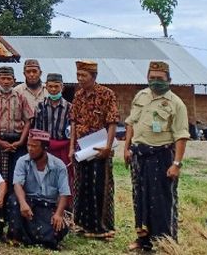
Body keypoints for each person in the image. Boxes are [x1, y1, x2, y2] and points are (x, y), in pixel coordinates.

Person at [123, 61, 190, 251]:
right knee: (140, 198)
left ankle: (165, 241)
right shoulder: (141, 95)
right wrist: (126, 148)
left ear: (169, 80)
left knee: (162, 200)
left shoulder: (176, 103)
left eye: (159, 79)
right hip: (139, 155)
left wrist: (176, 163)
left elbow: (181, 136)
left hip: (161, 156)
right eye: (151, 78)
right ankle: (143, 239)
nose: (155, 82)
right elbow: (130, 123)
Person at [69, 60, 119, 239]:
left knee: (100, 186)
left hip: (99, 147)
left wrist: (107, 147)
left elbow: (112, 121)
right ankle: (83, 224)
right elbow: (74, 122)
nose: (80, 79)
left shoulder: (106, 94)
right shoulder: (78, 95)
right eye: (78, 75)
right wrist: (71, 147)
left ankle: (101, 226)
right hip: (82, 148)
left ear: (94, 76)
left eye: (84, 75)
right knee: (82, 185)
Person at [8, 129, 71, 250]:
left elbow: (64, 193)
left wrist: (58, 214)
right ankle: (23, 235)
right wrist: (23, 203)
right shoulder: (22, 161)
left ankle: (31, 236)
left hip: (48, 206)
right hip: (29, 204)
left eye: (34, 146)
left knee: (59, 228)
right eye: (28, 145)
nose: (30, 149)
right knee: (14, 200)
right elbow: (17, 184)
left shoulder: (59, 166)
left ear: (45, 148)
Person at [0, 66, 34, 186]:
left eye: (8, 79)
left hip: (17, 141)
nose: (6, 81)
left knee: (17, 173)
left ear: (14, 80)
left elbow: (28, 121)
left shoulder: (21, 97)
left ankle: (14, 201)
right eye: (3, 78)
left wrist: (21, 141)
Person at [32, 73, 73, 198]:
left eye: (56, 86)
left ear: (62, 87)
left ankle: (64, 208)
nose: (54, 90)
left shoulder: (70, 108)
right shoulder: (39, 107)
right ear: (46, 87)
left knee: (63, 179)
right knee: (44, 178)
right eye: (50, 87)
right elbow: (37, 130)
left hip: (63, 149)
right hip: (45, 148)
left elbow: (72, 132)